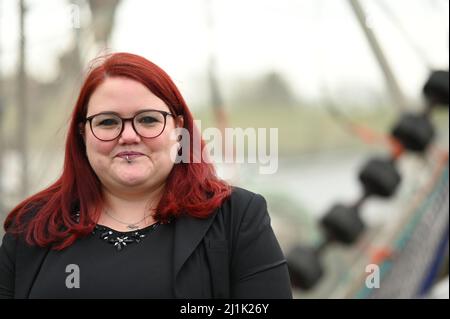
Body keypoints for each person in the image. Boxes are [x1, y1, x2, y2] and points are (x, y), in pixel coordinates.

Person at [0, 52, 292, 299]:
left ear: (178, 130)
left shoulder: (237, 218)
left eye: (148, 119)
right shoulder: (31, 228)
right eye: (107, 122)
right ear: (83, 133)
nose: (128, 136)